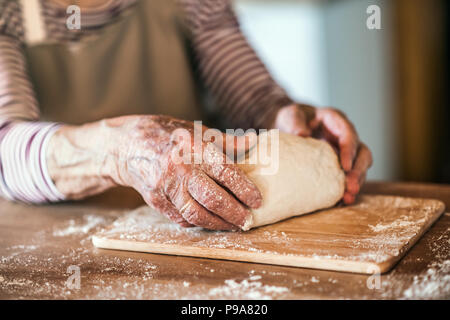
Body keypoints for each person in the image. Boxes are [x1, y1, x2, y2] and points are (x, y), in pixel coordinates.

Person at [0, 0, 372, 230]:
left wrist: (290, 121)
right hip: (55, 244)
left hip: (195, 230)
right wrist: (120, 151)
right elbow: (5, 149)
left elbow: (253, 97)